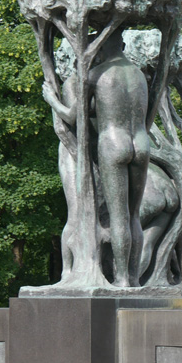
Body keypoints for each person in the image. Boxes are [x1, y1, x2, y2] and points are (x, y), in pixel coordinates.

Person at [43, 32, 150, 287]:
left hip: (113, 141)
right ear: (123, 45)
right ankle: (133, 277)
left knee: (118, 216)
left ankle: (121, 279)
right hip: (141, 143)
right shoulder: (140, 76)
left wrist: (51, 100)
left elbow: (72, 116)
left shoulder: (95, 74)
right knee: (134, 215)